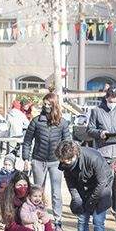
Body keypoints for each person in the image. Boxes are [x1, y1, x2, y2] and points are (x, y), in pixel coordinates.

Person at [57, 140, 114, 231]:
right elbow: (71, 184)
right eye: (62, 161)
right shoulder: (65, 163)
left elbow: (101, 182)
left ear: (75, 155)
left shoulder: (93, 158)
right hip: (82, 188)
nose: (64, 163)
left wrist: (91, 202)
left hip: (102, 187)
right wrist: (76, 199)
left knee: (98, 222)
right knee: (82, 219)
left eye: (67, 161)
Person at [23, 92, 72, 221]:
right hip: (38, 159)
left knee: (56, 192)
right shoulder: (36, 121)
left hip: (56, 161)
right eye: (44, 104)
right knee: (38, 191)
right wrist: (26, 159)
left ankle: (57, 219)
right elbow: (27, 141)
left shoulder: (62, 123)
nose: (46, 106)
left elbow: (67, 142)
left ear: (54, 105)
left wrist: (65, 158)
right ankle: (38, 216)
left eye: (49, 104)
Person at [86, 84, 116, 211]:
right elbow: (90, 130)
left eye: (115, 99)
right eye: (110, 98)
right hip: (102, 152)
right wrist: (100, 133)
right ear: (106, 97)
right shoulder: (97, 111)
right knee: (102, 184)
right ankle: (99, 209)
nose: (112, 101)